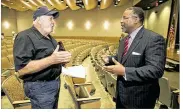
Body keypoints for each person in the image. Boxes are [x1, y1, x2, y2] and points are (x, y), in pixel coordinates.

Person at [102, 7, 166, 109]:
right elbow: (123, 58)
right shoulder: (124, 40)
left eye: (125, 18)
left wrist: (124, 71)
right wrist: (109, 59)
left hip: (140, 98)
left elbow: (156, 70)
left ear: (136, 20)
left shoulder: (153, 39)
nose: (121, 21)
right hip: (121, 96)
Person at [13, 6, 71, 109]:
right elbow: (22, 69)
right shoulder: (25, 37)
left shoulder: (49, 38)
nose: (54, 22)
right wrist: (51, 60)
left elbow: (53, 58)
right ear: (39, 20)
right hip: (39, 87)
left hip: (54, 84)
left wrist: (62, 59)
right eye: (50, 19)